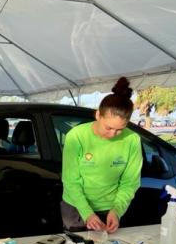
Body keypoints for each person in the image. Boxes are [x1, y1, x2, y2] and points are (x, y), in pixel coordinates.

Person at [61, 77, 142, 234]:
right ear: (98, 115)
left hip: (110, 208)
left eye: (120, 130)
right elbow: (70, 181)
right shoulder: (76, 136)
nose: (113, 134)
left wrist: (117, 210)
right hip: (76, 207)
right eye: (108, 127)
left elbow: (129, 183)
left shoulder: (132, 140)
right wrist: (87, 213)